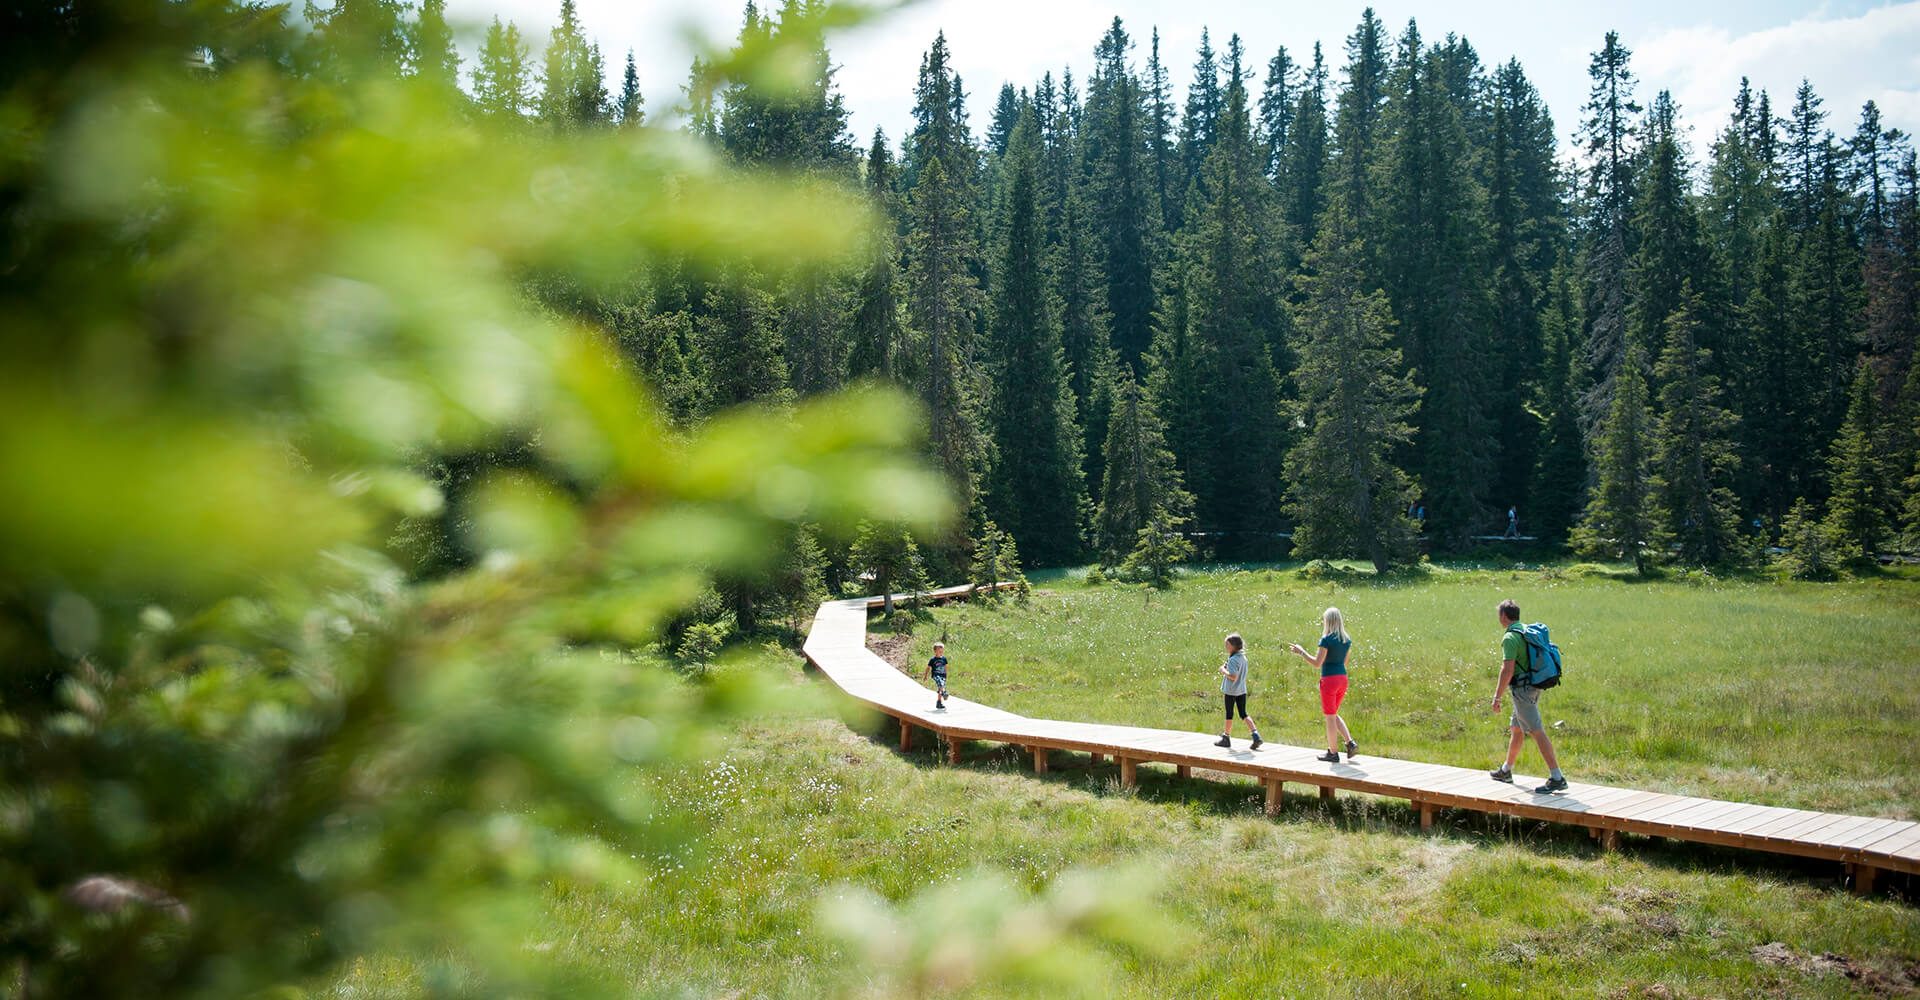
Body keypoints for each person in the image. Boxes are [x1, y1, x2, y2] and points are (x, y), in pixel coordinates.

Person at [1488, 599, 1567, 793]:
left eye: (1499, 615)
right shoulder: (1525, 630)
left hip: (1522, 690)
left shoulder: (1509, 638)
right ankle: (1506, 770)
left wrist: (1496, 697)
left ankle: (1557, 777)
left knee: (1536, 730)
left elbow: (1507, 670)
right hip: (1534, 685)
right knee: (1516, 727)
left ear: (1504, 616)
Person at [1288, 607, 1359, 763]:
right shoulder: (1346, 640)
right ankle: (1350, 743)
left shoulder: (1326, 640)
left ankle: (1333, 753)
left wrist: (1301, 652)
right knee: (1333, 714)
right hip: (1342, 679)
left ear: (1328, 621)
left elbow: (1317, 663)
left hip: (1329, 680)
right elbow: (1345, 662)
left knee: (1330, 718)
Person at [1215, 633, 1263, 750]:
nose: (1225, 646)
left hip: (1231, 691)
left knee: (1229, 714)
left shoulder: (1233, 660)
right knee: (1243, 714)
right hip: (1241, 690)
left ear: (1233, 646)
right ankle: (1255, 734)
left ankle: (1226, 737)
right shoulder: (1243, 658)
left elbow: (1233, 676)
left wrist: (1223, 670)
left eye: (1227, 644)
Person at [926, 642, 949, 711]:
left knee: (940, 689)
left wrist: (946, 674)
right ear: (935, 651)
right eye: (939, 651)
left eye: (942, 651)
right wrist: (925, 675)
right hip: (936, 675)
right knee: (941, 684)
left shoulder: (944, 659)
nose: (941, 652)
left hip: (943, 675)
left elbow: (946, 667)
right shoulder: (933, 660)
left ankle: (939, 703)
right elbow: (928, 668)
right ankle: (944, 693)